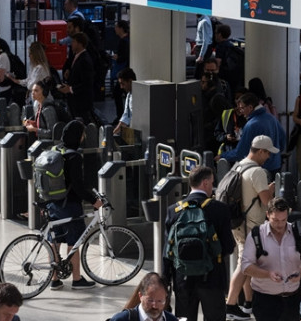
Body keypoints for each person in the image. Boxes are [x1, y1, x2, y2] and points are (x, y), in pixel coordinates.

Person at [163, 166, 234, 321]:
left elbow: (167, 252)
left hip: (183, 278)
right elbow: (228, 246)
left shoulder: (173, 210)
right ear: (205, 183)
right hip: (213, 277)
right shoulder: (220, 209)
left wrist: (165, 281)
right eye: (212, 183)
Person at [224, 135, 278, 320]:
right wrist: (271, 190)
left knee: (248, 263)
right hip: (252, 225)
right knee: (244, 265)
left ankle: (248, 303)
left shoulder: (238, 165)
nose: (269, 157)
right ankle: (230, 305)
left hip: (238, 223)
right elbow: (266, 202)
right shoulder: (257, 172)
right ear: (261, 151)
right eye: (268, 153)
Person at [47, 120, 103, 290]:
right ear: (78, 136)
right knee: (74, 241)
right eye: (82, 134)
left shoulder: (56, 150)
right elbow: (78, 185)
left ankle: (54, 279)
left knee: (54, 241)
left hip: (53, 202)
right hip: (69, 204)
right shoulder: (74, 156)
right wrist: (93, 200)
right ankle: (77, 279)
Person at [241, 197, 301, 321]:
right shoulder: (256, 235)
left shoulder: (298, 232)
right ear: (267, 215)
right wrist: (267, 274)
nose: (280, 225)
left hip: (293, 299)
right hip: (265, 301)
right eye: (275, 220)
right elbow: (246, 267)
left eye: (284, 220)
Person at [218, 93, 286, 178]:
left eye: (242, 108)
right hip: (275, 166)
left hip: (259, 169)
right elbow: (282, 140)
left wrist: (222, 156)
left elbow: (240, 152)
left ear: (250, 107)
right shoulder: (271, 118)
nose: (241, 111)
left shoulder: (251, 125)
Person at [108, 273, 178, 321]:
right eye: (150, 300)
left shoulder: (172, 319)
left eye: (160, 301)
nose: (155, 306)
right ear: (140, 296)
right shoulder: (121, 319)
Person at [58, 33, 95, 123]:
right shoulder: (76, 57)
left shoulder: (84, 60)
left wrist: (70, 89)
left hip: (81, 101)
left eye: (74, 42)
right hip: (75, 100)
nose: (71, 44)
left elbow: (87, 83)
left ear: (80, 43)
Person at [111, 20, 130, 121]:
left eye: (116, 27)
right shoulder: (128, 39)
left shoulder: (123, 41)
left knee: (117, 92)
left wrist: (117, 57)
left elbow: (123, 57)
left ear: (121, 28)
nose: (115, 29)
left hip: (123, 71)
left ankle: (120, 116)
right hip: (127, 70)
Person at [112, 68, 136, 135]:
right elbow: (126, 115)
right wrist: (114, 133)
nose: (121, 87)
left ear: (130, 81)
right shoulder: (129, 95)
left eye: (123, 84)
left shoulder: (138, 96)